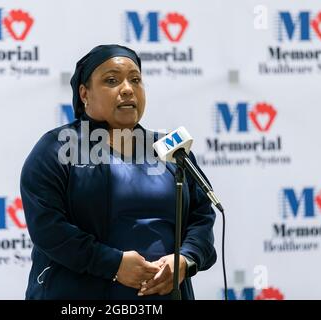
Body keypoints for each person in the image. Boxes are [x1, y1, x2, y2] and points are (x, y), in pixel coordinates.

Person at [20, 44, 217, 300]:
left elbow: (202, 217)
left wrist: (186, 259)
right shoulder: (58, 147)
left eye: (136, 80)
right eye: (111, 80)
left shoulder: (169, 147)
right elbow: (48, 228)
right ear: (84, 94)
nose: (127, 89)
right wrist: (113, 264)